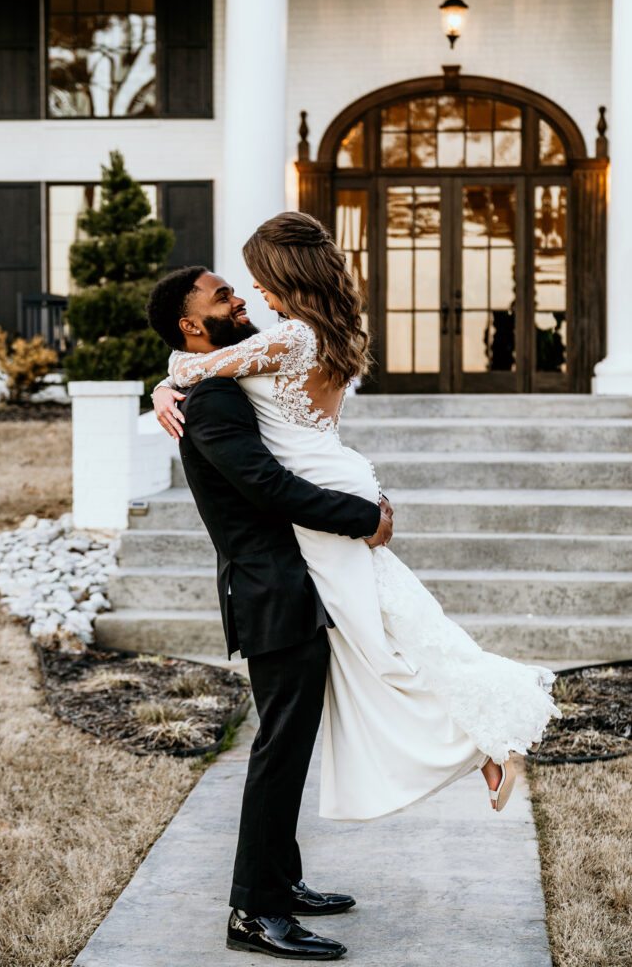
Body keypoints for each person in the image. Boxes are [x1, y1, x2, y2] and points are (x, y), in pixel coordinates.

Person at [151, 213, 561, 834]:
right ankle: (484, 738)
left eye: (257, 279)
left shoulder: (290, 338)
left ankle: (486, 737)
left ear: (286, 275)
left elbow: (193, 370)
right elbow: (210, 369)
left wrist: (162, 383)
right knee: (395, 625)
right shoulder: (319, 331)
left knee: (381, 644)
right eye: (233, 289)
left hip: (326, 497)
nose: (251, 293)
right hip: (338, 480)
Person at [146, 265, 393, 961]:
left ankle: (280, 882)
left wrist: (165, 380)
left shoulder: (210, 379)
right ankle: (253, 912)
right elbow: (264, 484)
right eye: (222, 295)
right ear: (193, 325)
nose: (239, 299)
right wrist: (360, 517)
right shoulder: (215, 397)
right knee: (278, 753)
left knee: (288, 747)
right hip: (270, 587)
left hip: (288, 582)